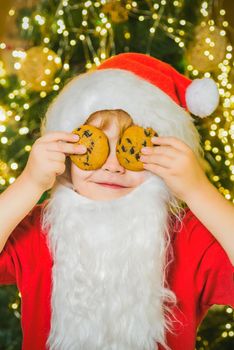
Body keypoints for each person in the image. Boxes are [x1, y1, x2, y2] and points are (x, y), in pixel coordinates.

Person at [0, 53, 233, 350]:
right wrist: (28, 183)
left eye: (130, 151)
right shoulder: (38, 228)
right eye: (95, 144)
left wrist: (198, 190)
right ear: (67, 150)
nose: (112, 166)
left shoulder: (188, 237)